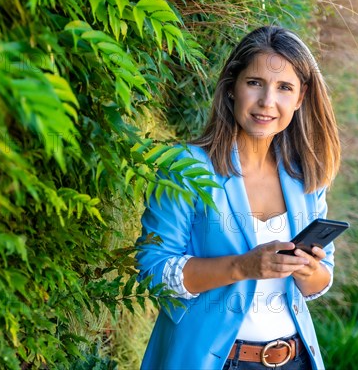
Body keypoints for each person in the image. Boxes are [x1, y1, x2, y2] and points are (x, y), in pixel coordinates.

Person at [135, 26, 341, 370]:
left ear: (300, 97)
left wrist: (308, 268)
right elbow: (153, 269)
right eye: (255, 83)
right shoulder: (185, 166)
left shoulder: (305, 175)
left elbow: (321, 280)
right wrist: (243, 266)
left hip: (296, 359)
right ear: (232, 86)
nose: (267, 102)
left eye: (284, 88)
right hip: (213, 361)